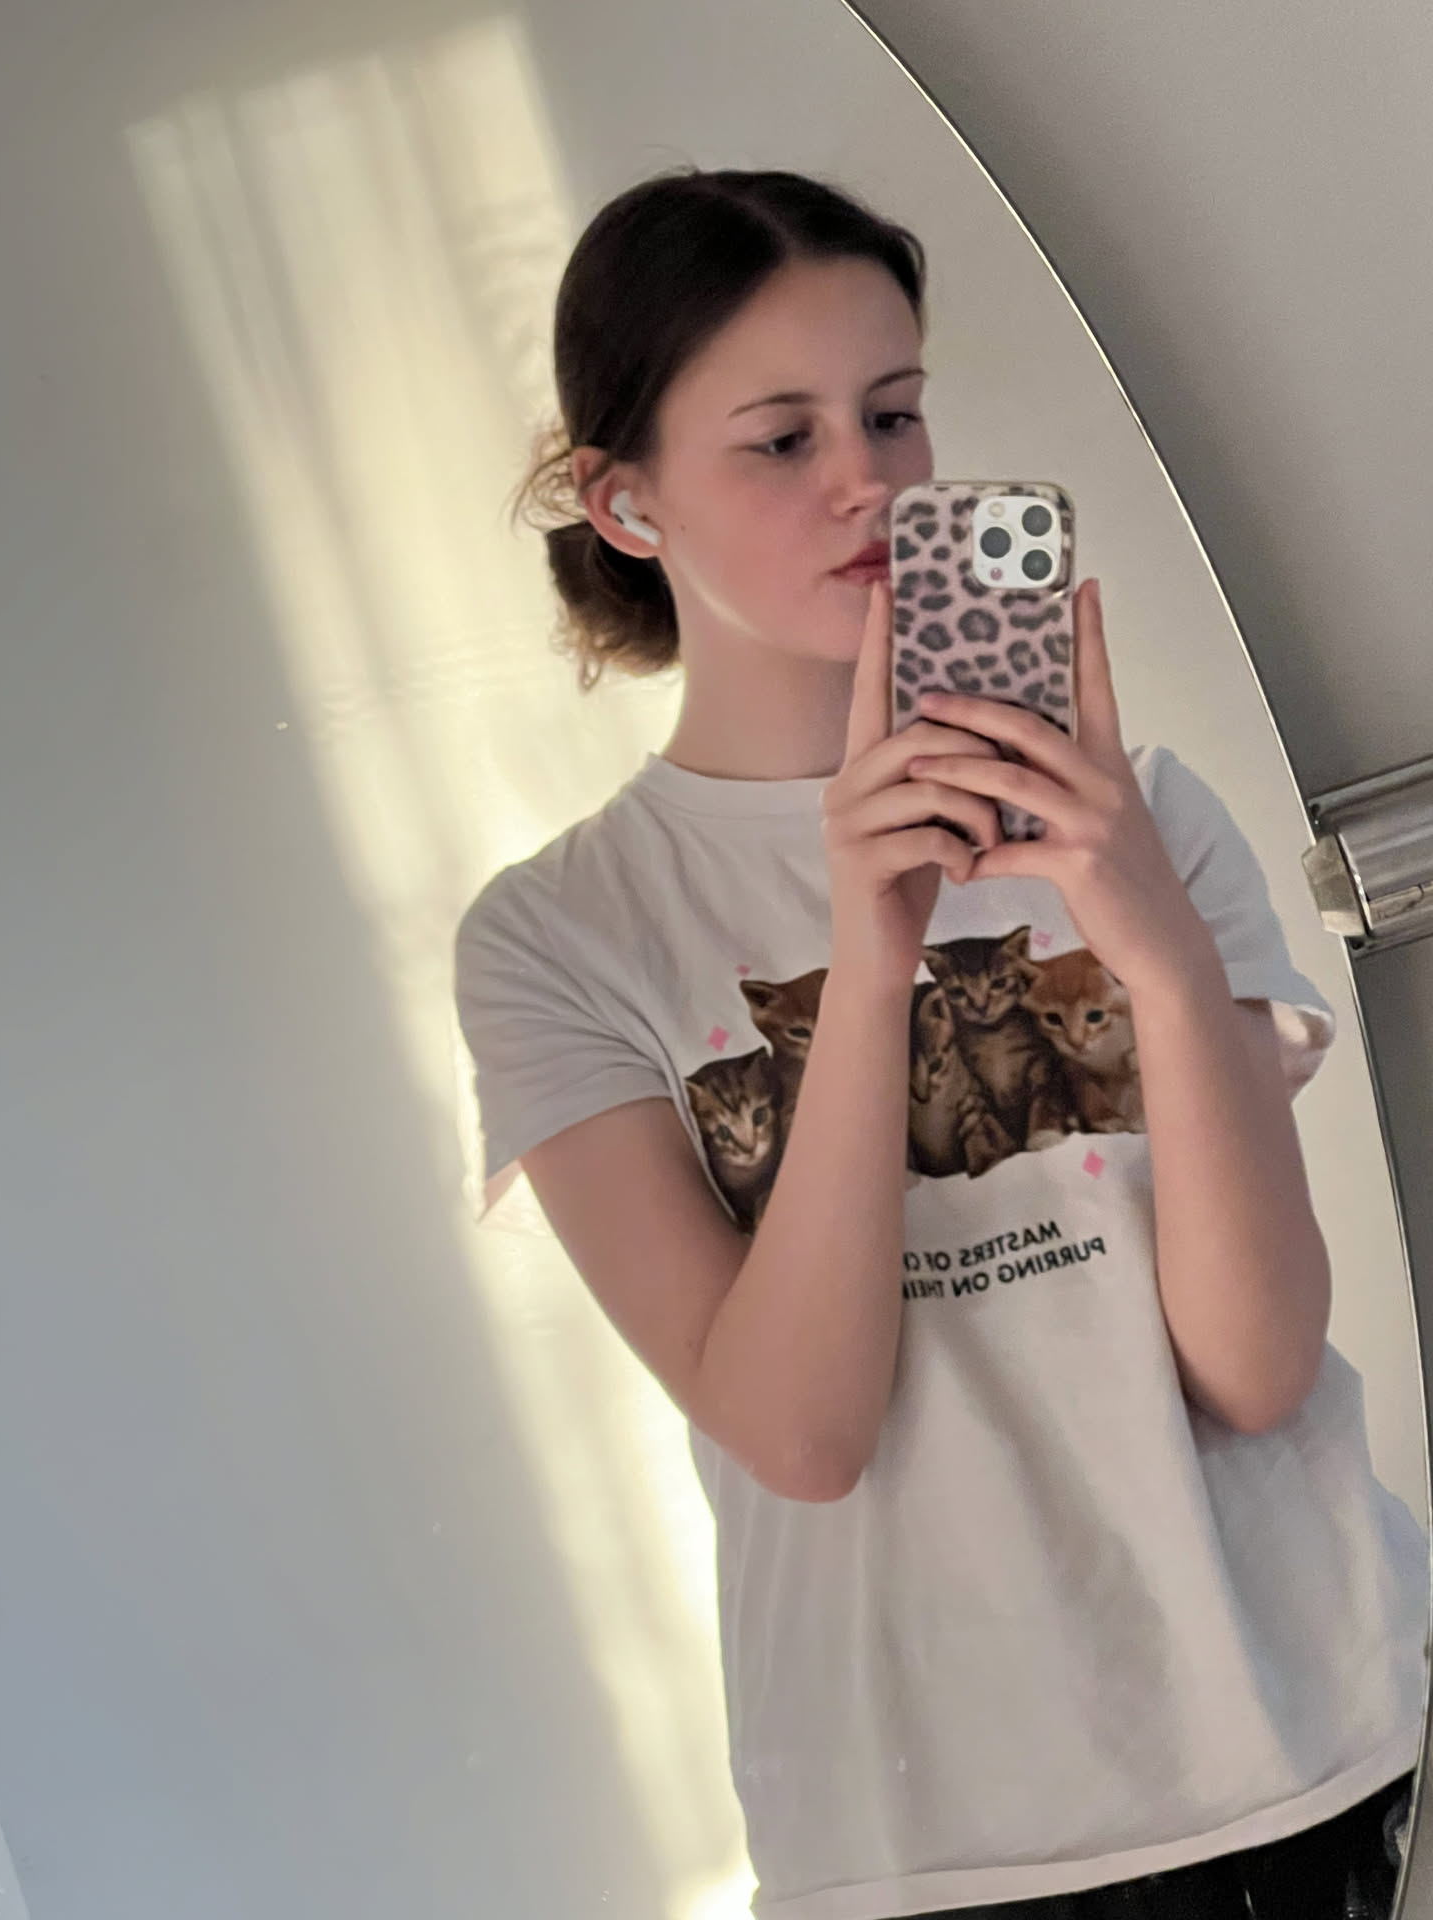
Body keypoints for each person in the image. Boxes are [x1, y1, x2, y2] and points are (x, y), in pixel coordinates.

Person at [453, 167, 1425, 1920]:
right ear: (626, 500)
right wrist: (872, 948)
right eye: (782, 439)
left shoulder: (1139, 819)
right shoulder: (560, 939)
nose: (871, 481)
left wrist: (1153, 945)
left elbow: (1260, 1368)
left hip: (1327, 1740)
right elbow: (802, 1435)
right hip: (930, 1840)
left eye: (893, 412)